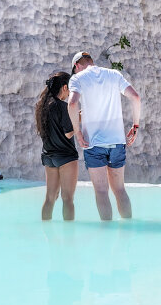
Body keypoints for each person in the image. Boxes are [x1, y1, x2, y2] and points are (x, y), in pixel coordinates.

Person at [67, 50, 142, 220]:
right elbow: (136, 97)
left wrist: (78, 132)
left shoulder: (78, 79)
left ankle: (107, 235)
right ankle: (128, 232)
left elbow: (72, 104)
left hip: (94, 144)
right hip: (117, 142)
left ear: (77, 66)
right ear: (91, 61)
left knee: (101, 192)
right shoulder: (114, 74)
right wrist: (135, 125)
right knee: (120, 190)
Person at [36, 70, 78, 220]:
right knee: (67, 200)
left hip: (49, 157)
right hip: (66, 156)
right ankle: (68, 239)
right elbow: (68, 133)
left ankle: (47, 236)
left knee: (50, 199)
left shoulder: (42, 107)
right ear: (65, 87)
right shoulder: (62, 106)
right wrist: (80, 118)